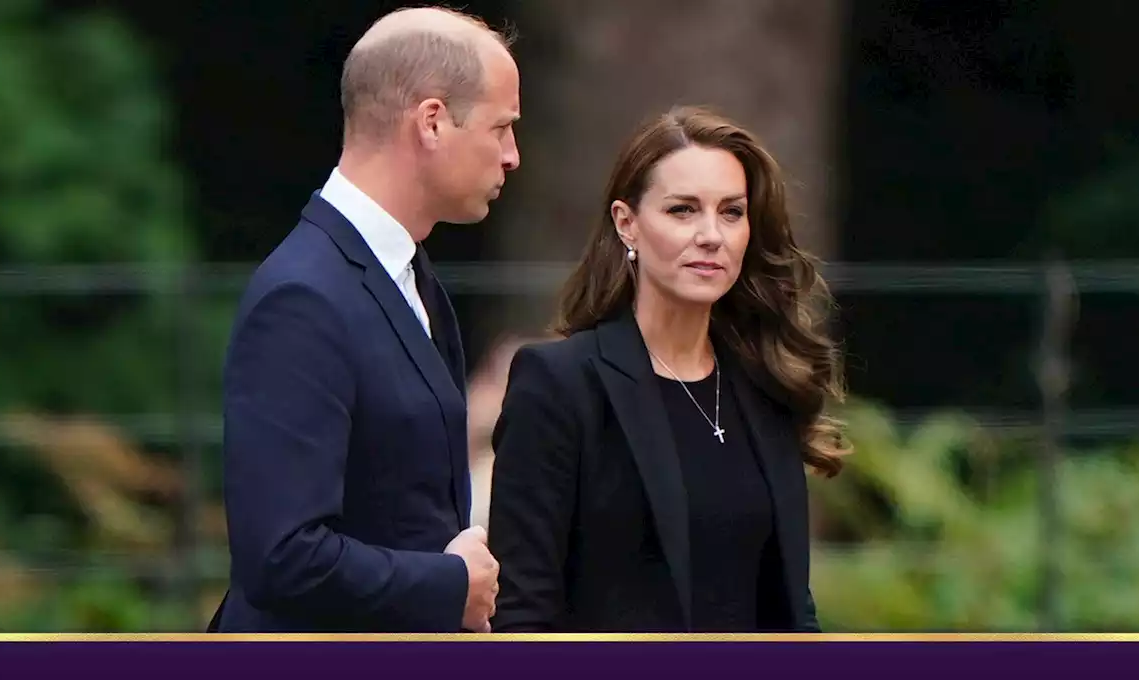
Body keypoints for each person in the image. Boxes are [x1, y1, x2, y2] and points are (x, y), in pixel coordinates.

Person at [209, 7, 522, 633]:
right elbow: (282, 557)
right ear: (432, 122)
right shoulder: (303, 296)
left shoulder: (406, 275)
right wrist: (449, 582)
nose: (513, 156)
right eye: (501, 127)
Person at [487, 106, 847, 633]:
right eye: (682, 210)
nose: (711, 235)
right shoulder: (561, 384)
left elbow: (791, 604)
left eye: (731, 212)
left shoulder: (765, 382)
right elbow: (522, 610)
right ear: (626, 223)